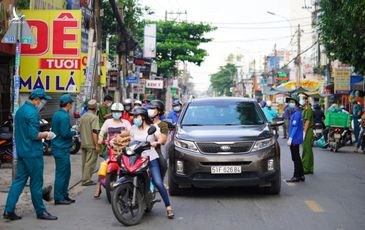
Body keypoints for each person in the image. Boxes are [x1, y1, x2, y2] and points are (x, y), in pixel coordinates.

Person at [3, 88, 57, 221]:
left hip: (22, 152)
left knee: (19, 181)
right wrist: (47, 134)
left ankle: (8, 210)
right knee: (36, 183)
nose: (42, 103)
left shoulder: (20, 111)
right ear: (37, 99)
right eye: (42, 100)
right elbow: (34, 135)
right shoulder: (32, 113)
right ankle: (41, 211)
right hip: (33, 153)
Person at [130, 107, 174, 219]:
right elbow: (128, 137)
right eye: (134, 117)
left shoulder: (152, 128)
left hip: (151, 157)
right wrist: (116, 139)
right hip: (136, 157)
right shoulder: (133, 128)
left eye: (136, 116)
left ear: (143, 117)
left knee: (158, 182)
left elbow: (161, 138)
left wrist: (156, 142)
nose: (134, 119)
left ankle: (168, 207)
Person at [94, 103, 131, 198]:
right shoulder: (108, 122)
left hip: (123, 149)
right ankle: (98, 187)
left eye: (118, 112)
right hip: (110, 149)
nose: (116, 113)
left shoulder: (126, 123)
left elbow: (131, 133)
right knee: (103, 165)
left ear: (122, 113)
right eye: (115, 112)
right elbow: (102, 131)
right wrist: (100, 139)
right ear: (112, 112)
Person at [51, 94, 77, 205]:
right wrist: (75, 132)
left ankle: (64, 195)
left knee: (65, 173)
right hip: (61, 148)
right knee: (62, 173)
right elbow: (65, 133)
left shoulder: (57, 114)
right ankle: (59, 197)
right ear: (68, 104)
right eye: (71, 103)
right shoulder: (64, 116)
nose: (71, 105)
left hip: (59, 147)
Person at [79, 99, 100, 186]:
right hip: (91, 143)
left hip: (84, 142)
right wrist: (97, 145)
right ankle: (86, 180)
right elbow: (94, 132)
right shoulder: (94, 118)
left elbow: (79, 130)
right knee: (90, 162)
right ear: (95, 108)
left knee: (84, 162)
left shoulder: (83, 116)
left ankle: (84, 178)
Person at [147, 100, 169, 179]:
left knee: (163, 165)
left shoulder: (163, 125)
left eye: (153, 108)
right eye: (150, 108)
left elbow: (163, 140)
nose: (150, 110)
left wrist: (157, 141)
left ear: (159, 111)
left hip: (155, 151)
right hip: (140, 149)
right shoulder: (144, 122)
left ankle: (160, 182)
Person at [286, 96, 305, 183]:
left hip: (294, 139)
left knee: (295, 157)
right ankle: (301, 175)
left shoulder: (297, 114)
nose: (290, 104)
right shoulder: (297, 113)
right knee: (297, 156)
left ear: (296, 103)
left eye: (291, 102)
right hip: (296, 138)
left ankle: (296, 176)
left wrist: (290, 138)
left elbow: (295, 127)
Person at [302, 101, 314, 174]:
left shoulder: (308, 109)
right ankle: (309, 167)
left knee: (306, 150)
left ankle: (306, 168)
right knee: (307, 150)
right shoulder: (305, 108)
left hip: (308, 131)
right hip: (307, 131)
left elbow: (307, 122)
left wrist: (304, 133)